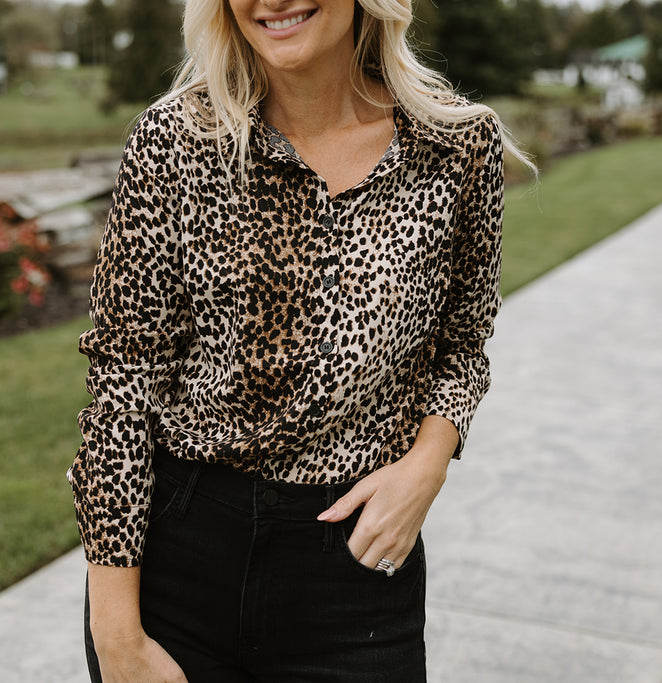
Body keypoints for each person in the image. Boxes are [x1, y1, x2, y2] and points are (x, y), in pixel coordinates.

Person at [68, 0, 530, 680]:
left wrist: (428, 462)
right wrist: (116, 630)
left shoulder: (455, 147)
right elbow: (122, 389)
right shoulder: (174, 142)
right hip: (182, 558)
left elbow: (462, 347)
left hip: (352, 574)